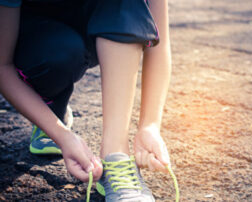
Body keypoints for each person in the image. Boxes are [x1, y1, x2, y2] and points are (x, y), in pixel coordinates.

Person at [0, 0, 172, 201]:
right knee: (59, 52)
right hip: (35, 41)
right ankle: (50, 105)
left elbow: (159, 42)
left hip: (95, 26)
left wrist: (150, 125)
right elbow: (3, 65)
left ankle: (115, 154)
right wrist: (62, 136)